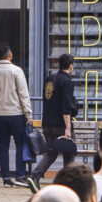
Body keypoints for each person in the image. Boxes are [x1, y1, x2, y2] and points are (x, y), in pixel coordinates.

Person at [0, 46, 33, 186]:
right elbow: (23, 94)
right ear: (10, 55)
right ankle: (20, 175)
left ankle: (6, 178)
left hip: (0, 113)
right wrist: (28, 113)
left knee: (3, 144)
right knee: (20, 144)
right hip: (16, 112)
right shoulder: (16, 71)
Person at [33, 53, 79, 182]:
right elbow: (66, 106)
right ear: (71, 66)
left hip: (47, 123)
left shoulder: (49, 79)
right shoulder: (67, 81)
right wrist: (68, 128)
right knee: (69, 153)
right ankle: (68, 182)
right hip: (60, 124)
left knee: (51, 152)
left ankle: (35, 176)